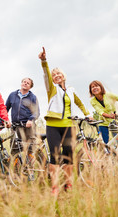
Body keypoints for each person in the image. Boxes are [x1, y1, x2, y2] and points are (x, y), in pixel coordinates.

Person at [38, 47, 90, 195]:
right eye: (54, 75)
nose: (56, 76)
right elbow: (46, 75)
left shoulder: (71, 90)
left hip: (69, 126)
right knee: (54, 156)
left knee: (68, 156)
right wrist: (44, 61)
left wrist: (87, 114)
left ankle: (68, 184)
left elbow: (79, 103)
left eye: (58, 73)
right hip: (53, 125)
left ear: (64, 75)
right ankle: (54, 187)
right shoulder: (52, 90)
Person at [6, 78, 40, 155]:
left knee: (30, 148)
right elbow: (5, 108)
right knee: (15, 149)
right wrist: (5, 120)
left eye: (28, 83)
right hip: (15, 126)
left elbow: (37, 112)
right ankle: (16, 166)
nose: (25, 83)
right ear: (21, 83)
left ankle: (29, 166)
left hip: (28, 126)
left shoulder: (33, 97)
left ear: (30, 87)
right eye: (24, 82)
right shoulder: (12, 95)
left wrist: (31, 119)